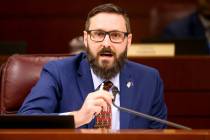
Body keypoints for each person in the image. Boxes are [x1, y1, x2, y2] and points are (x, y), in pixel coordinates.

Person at [18, 3, 167, 129]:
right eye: (98, 34)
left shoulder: (149, 80)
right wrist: (77, 117)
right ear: (86, 39)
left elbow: (159, 134)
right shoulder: (58, 72)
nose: (106, 44)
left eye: (115, 35)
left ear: (128, 41)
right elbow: (25, 121)